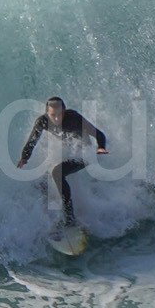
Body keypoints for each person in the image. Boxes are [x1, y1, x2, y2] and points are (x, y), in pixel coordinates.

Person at [17, 96, 108, 228]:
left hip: (85, 153)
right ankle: (47, 210)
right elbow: (32, 141)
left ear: (64, 112)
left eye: (59, 115)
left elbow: (99, 134)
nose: (56, 119)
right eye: (53, 115)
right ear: (47, 113)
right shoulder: (42, 121)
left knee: (57, 172)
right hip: (70, 151)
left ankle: (70, 219)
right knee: (42, 180)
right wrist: (24, 158)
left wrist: (101, 147)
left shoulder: (74, 118)